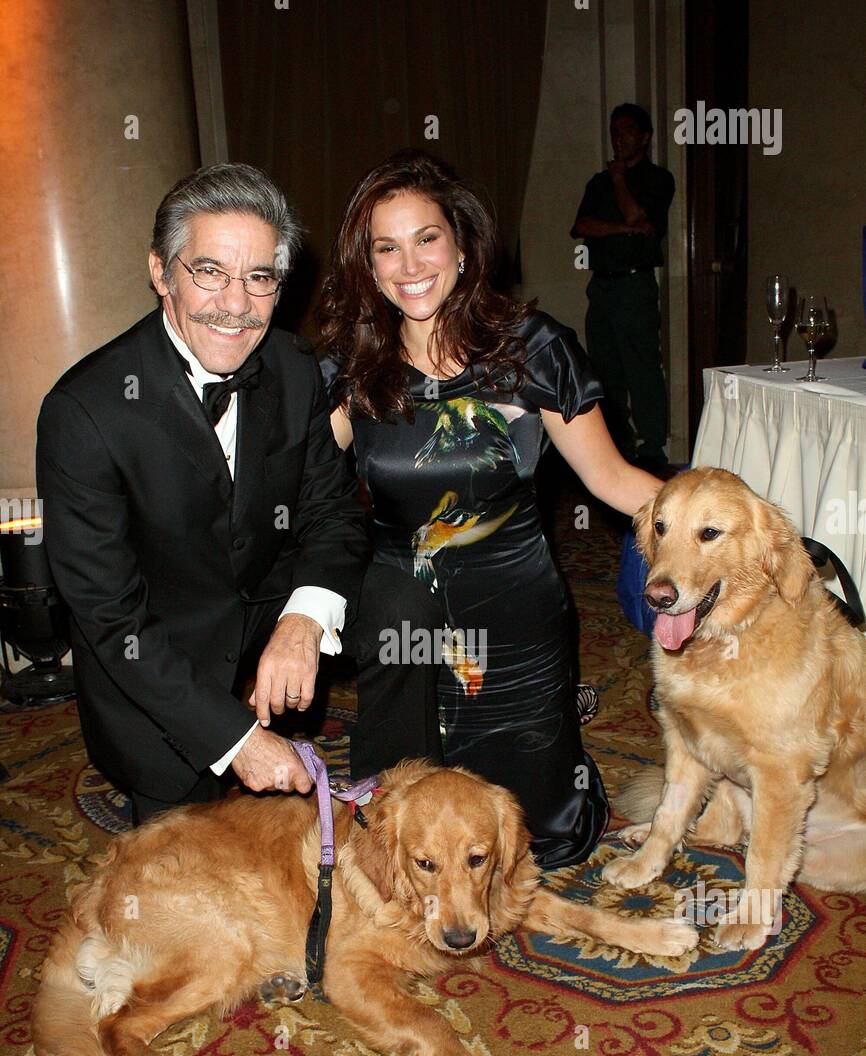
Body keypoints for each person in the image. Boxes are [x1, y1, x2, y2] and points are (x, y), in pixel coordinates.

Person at [36, 162, 432, 826]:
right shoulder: (86, 412)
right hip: (160, 655)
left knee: (400, 604)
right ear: (161, 273)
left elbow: (332, 514)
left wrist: (304, 620)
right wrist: (236, 739)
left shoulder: (293, 366)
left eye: (259, 278)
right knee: (189, 890)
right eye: (210, 271)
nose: (236, 303)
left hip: (264, 602)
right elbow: (111, 620)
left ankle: (397, 805)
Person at [318, 150, 663, 870]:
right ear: (368, 264)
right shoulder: (355, 367)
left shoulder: (532, 351)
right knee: (405, 843)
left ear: (464, 245)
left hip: (515, 615)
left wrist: (739, 523)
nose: (409, 264)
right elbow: (296, 491)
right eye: (386, 247)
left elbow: (613, 480)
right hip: (406, 619)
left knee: (537, 835)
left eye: (426, 238)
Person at [570, 104, 675, 473]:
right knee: (603, 367)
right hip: (602, 286)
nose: (619, 137)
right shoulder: (597, 182)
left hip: (635, 284)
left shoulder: (657, 180)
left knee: (643, 366)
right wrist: (626, 230)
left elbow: (637, 215)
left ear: (645, 136)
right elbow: (582, 224)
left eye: (627, 130)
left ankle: (653, 448)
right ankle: (617, 444)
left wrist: (619, 182)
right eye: (614, 130)